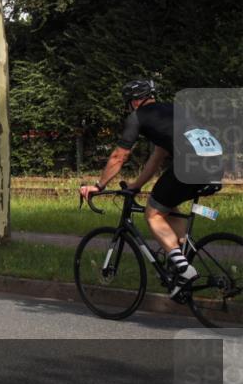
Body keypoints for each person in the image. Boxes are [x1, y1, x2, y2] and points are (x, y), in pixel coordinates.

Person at [79, 79, 224, 298]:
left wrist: (99, 186)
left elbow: (119, 156)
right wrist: (136, 186)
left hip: (190, 166)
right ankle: (181, 255)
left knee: (153, 213)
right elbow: (157, 157)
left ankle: (184, 271)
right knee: (168, 206)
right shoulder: (173, 111)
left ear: (135, 102)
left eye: (128, 102)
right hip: (215, 165)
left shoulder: (138, 116)